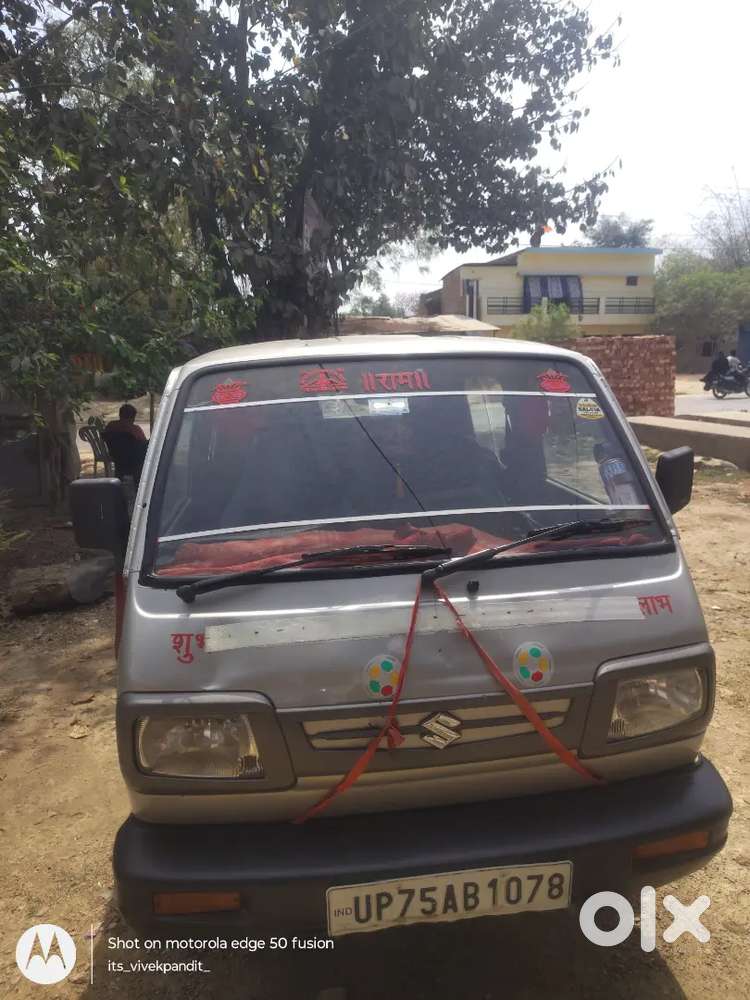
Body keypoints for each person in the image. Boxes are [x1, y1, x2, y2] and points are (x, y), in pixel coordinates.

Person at [103, 403, 148, 482]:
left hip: (117, 457)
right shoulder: (134, 429)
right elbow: (143, 441)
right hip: (135, 460)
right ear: (133, 417)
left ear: (120, 415)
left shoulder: (111, 426)